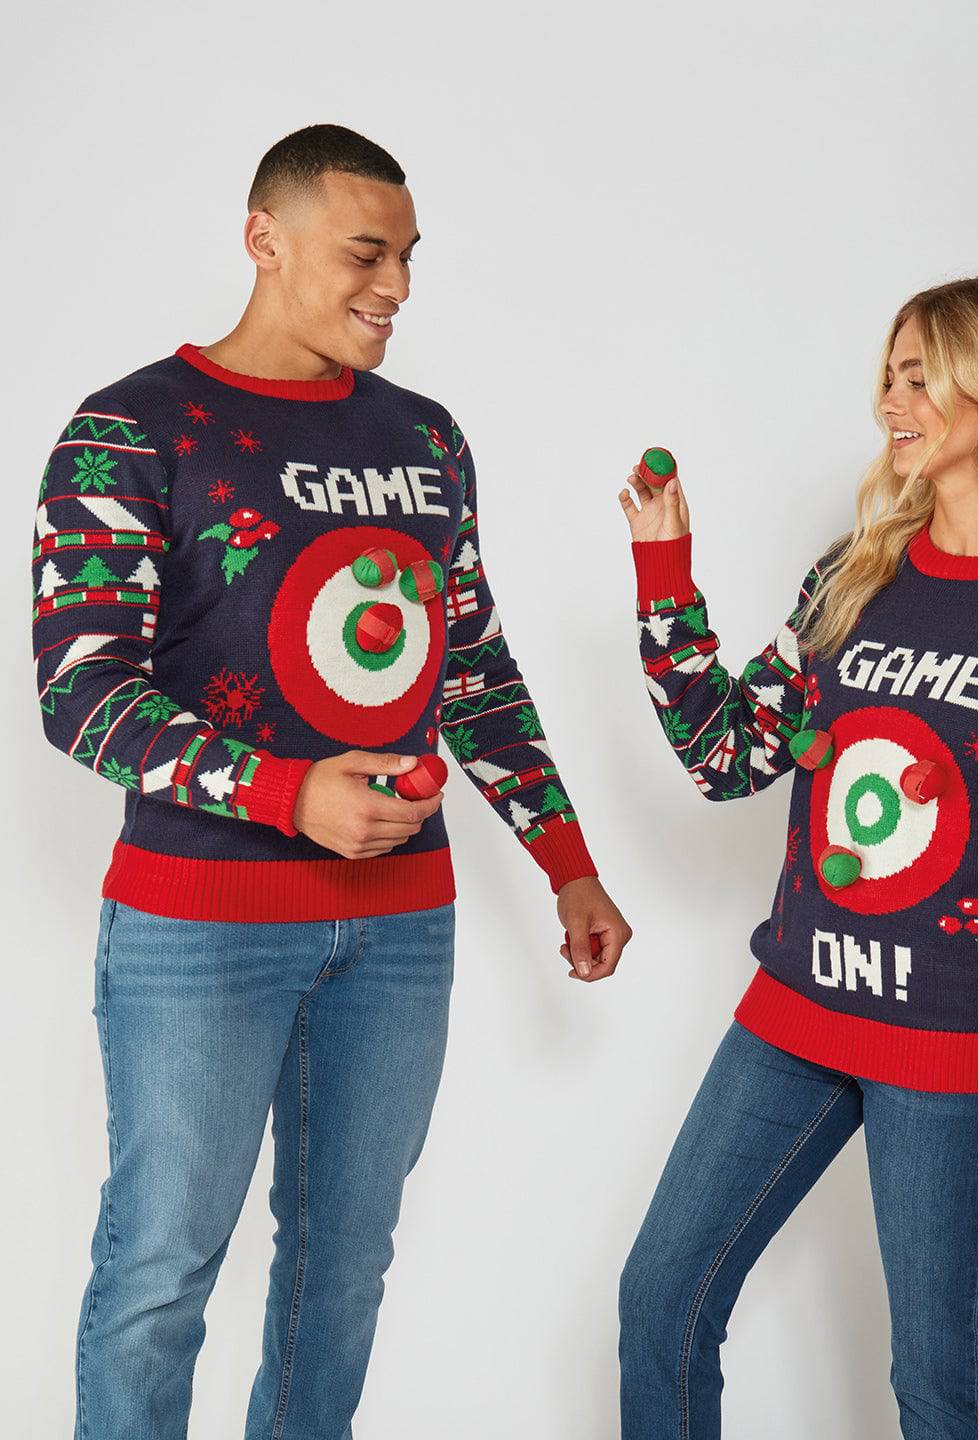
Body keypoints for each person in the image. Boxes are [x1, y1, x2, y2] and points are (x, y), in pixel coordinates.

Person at [32, 123, 631, 1438]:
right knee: (158, 1275)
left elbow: (471, 667)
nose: (397, 286)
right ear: (265, 239)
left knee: (342, 1271)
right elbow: (79, 693)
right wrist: (286, 794)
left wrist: (569, 864)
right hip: (199, 924)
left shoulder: (426, 438)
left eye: (410, 256)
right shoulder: (128, 430)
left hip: (402, 926)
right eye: (368, 253)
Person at [615, 272, 978, 1437]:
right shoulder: (855, 570)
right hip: (796, 1014)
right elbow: (726, 755)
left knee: (937, 1387)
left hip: (958, 1050)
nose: (891, 403)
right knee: (661, 1298)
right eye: (889, 376)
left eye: (921, 377)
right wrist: (665, 575)